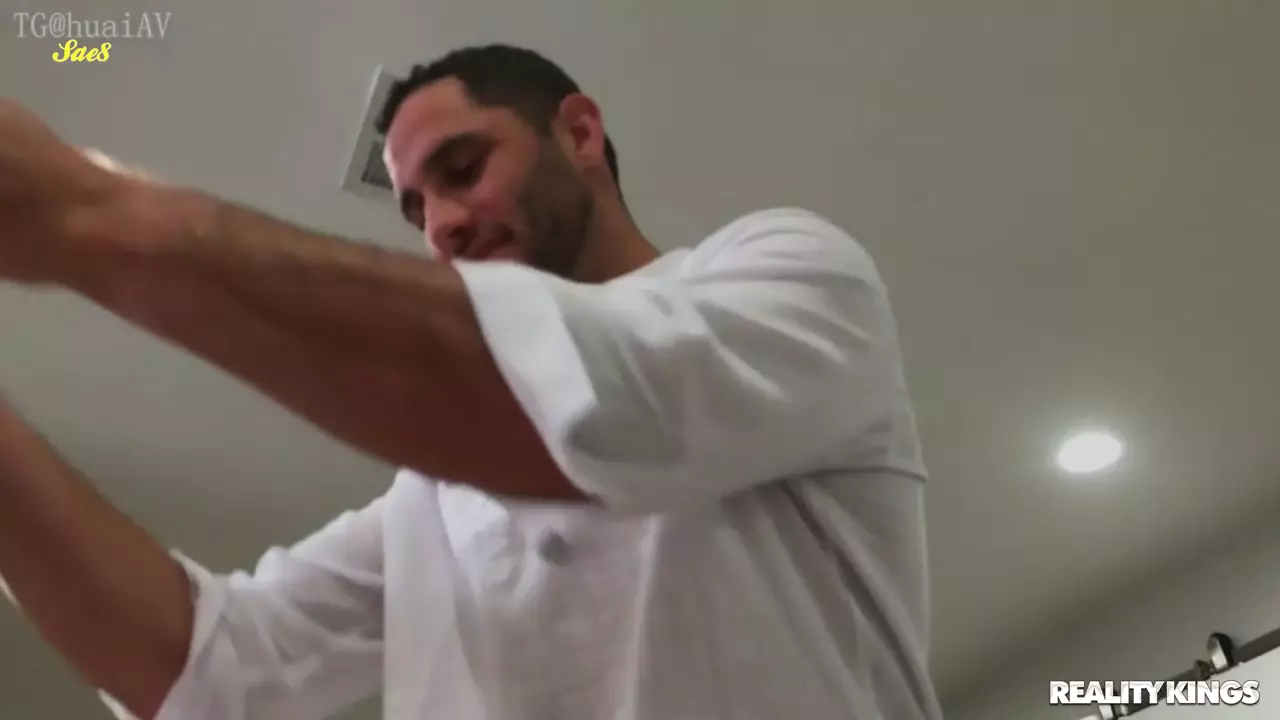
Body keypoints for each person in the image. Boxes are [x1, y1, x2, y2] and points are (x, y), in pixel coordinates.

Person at [0, 44, 942, 719]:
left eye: (463, 169)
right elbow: (205, 670)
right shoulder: (432, 500)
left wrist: (85, 214)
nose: (441, 225)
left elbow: (592, 412)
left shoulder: (787, 269)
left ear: (580, 132)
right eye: (415, 208)